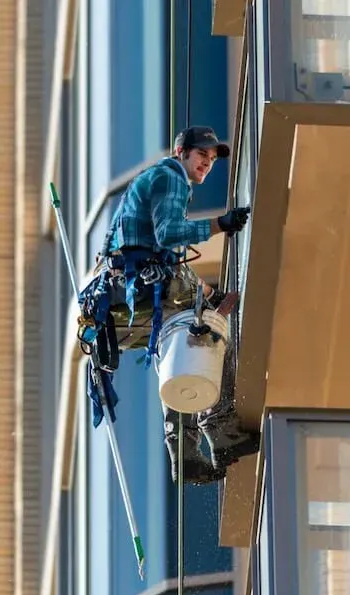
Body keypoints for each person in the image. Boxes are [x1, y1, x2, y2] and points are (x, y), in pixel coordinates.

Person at [85, 125, 260, 485]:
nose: (206, 165)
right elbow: (169, 235)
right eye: (201, 156)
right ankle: (219, 430)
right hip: (134, 284)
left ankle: (185, 453)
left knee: (182, 352)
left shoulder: (156, 180)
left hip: (127, 284)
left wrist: (211, 297)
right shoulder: (171, 177)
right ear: (181, 152)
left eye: (211, 161)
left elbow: (162, 256)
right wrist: (221, 224)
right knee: (209, 336)